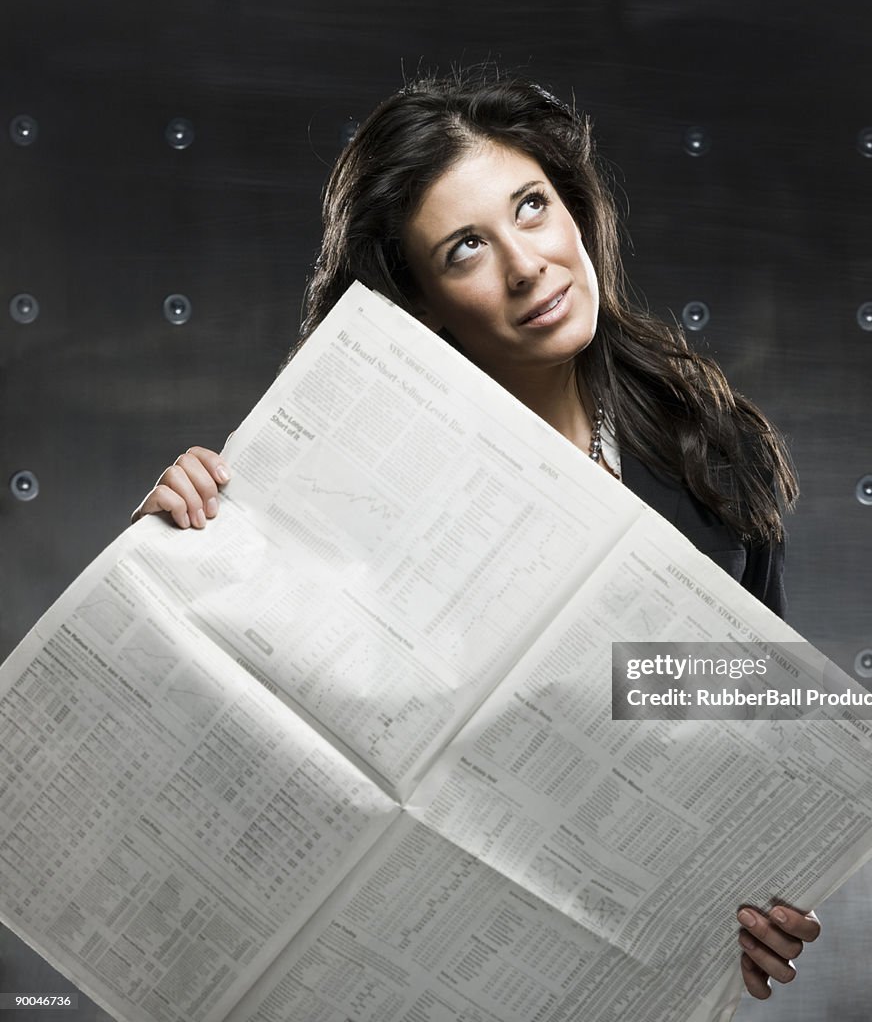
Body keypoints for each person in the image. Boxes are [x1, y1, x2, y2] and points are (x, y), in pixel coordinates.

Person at [132, 68, 817, 1000]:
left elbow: (759, 734)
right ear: (421, 304)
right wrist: (176, 550)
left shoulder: (708, 444)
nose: (526, 263)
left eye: (532, 207)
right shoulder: (343, 488)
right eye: (465, 249)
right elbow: (231, 744)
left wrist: (765, 904)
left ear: (576, 212)